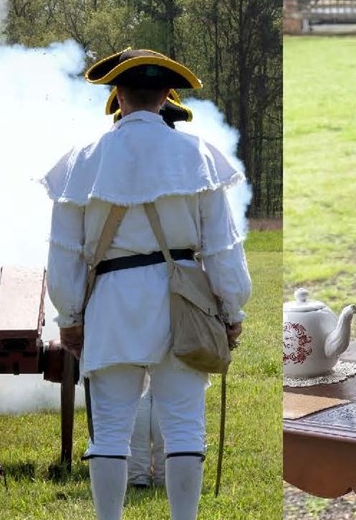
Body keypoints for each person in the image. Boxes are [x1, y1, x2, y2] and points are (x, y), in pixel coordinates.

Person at [43, 48, 251, 520]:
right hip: (184, 302)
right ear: (165, 96)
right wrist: (231, 310)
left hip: (111, 304)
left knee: (110, 431)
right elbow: (222, 248)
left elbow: (65, 253)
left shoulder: (82, 159)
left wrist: (69, 317)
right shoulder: (196, 154)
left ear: (118, 95)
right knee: (184, 427)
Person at [105, 86, 197, 490]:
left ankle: (139, 472)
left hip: (116, 294)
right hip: (180, 291)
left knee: (133, 394)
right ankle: (156, 472)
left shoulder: (106, 160)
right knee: (172, 398)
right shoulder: (187, 161)